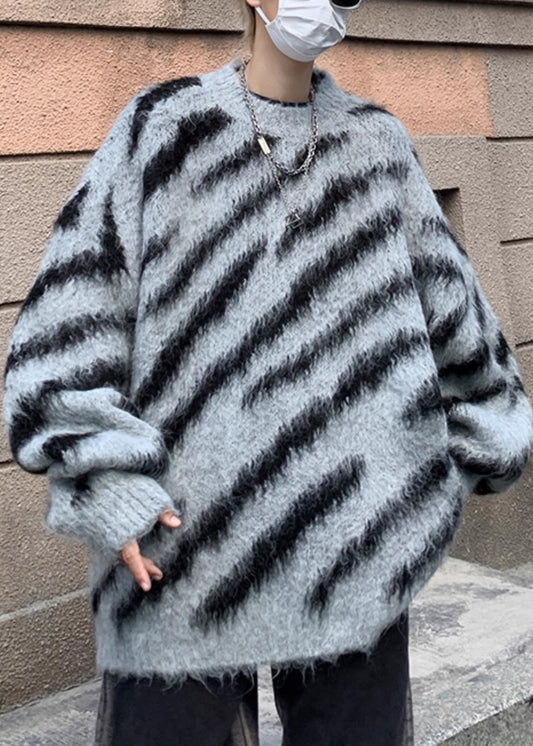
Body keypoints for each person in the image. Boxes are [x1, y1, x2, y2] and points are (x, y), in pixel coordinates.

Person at [3, 0, 533, 744]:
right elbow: (65, 327)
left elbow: (464, 334)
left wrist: (423, 482)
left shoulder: (377, 143)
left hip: (354, 550)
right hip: (181, 548)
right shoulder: (164, 128)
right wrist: (107, 483)